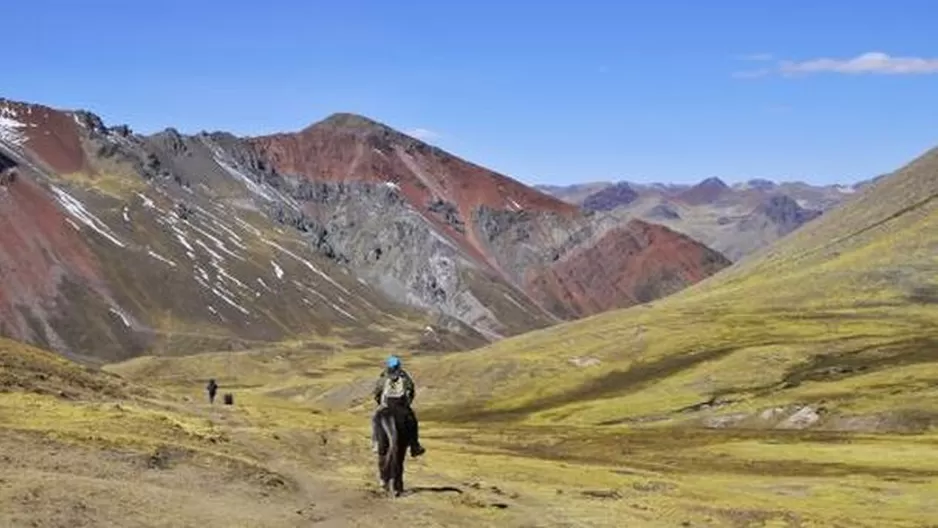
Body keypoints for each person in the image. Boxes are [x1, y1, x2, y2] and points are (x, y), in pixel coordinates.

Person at [371, 355, 425, 457]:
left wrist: (380, 404)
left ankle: (376, 443)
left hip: (386, 405)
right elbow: (411, 391)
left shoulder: (383, 377)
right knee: (413, 421)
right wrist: (407, 404)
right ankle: (414, 446)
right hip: (401, 405)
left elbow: (377, 393)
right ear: (398, 366)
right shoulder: (404, 377)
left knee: (375, 420)